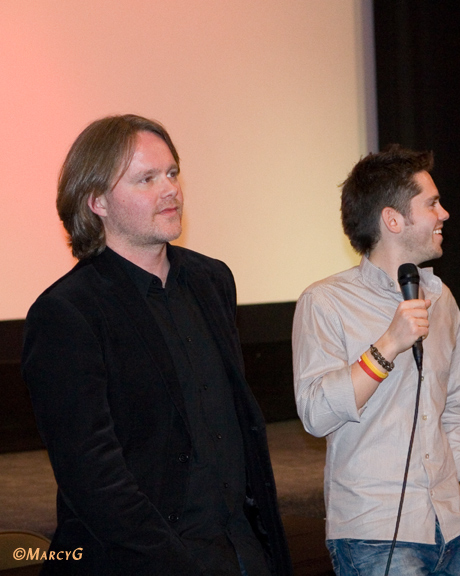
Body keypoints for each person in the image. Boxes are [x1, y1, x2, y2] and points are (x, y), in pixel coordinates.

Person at [22, 115, 292, 576]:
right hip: (144, 562)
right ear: (97, 201)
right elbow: (93, 478)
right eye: (146, 178)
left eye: (171, 172)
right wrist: (175, 562)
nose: (170, 189)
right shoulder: (67, 313)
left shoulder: (212, 279)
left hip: (241, 552)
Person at [292, 145, 460, 575]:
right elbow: (315, 414)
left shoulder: (441, 297)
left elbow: (455, 407)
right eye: (432, 203)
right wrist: (388, 345)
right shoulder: (325, 302)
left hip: (453, 525)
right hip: (374, 535)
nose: (445, 214)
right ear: (393, 220)